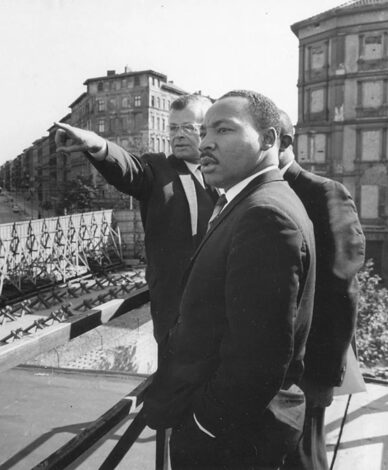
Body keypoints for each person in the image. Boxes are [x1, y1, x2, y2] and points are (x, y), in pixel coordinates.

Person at [143, 90, 317, 469]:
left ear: (269, 140)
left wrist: (205, 423)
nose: (205, 143)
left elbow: (259, 354)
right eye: (204, 132)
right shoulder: (253, 201)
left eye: (223, 131)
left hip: (228, 438)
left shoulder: (264, 215)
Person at [54, 94, 217, 346]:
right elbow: (130, 169)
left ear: (208, 130)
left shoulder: (220, 174)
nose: (178, 135)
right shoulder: (158, 169)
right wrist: (96, 144)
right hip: (176, 308)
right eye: (173, 128)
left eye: (188, 127)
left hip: (216, 303)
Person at [277, 110, 365, 470]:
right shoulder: (245, 193)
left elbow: (342, 290)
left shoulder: (323, 192)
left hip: (307, 371)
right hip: (268, 371)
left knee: (304, 458)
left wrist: (325, 376)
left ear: (280, 141)